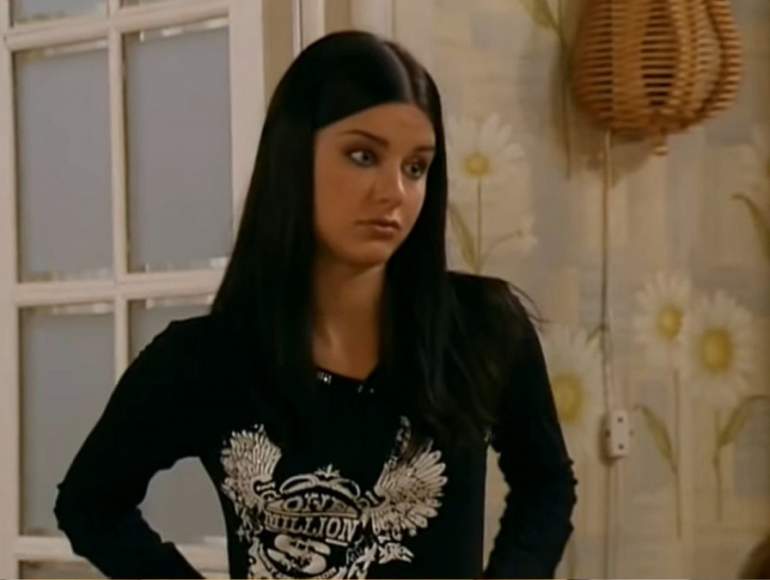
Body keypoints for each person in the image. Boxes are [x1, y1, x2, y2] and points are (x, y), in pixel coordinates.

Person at [54, 30, 577, 579]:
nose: (395, 192)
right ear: (293, 157)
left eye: (416, 166)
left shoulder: (482, 327)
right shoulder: (204, 360)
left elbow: (546, 484)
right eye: (363, 155)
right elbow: (90, 504)